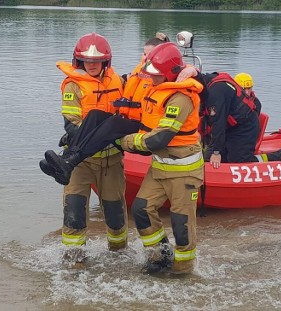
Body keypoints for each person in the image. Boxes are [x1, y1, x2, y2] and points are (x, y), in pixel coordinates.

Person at [43, 32, 128, 266]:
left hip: (111, 161)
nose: (91, 65)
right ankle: (73, 261)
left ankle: (119, 255)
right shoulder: (73, 85)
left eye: (96, 61)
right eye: (87, 61)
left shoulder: (119, 82)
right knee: (74, 211)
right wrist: (99, 135)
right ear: (79, 61)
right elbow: (71, 123)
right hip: (79, 162)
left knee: (115, 214)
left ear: (105, 62)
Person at [118, 42, 204, 274]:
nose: (152, 79)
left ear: (169, 74)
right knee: (141, 209)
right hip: (160, 168)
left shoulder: (181, 99)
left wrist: (124, 141)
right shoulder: (156, 90)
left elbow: (160, 138)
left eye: (156, 75)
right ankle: (160, 256)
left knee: (182, 224)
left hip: (184, 172)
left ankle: (183, 270)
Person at [41, 32, 171, 184]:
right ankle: (66, 160)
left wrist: (190, 70)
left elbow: (183, 73)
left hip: (144, 129)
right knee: (95, 115)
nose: (145, 58)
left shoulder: (164, 77)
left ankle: (70, 161)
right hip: (128, 123)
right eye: (143, 54)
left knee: (114, 122)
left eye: (150, 55)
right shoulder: (135, 75)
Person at [176, 69, 281, 168]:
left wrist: (216, 152)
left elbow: (218, 124)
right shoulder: (205, 83)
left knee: (239, 160)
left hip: (245, 126)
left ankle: (279, 156)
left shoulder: (215, 93)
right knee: (207, 159)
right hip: (229, 127)